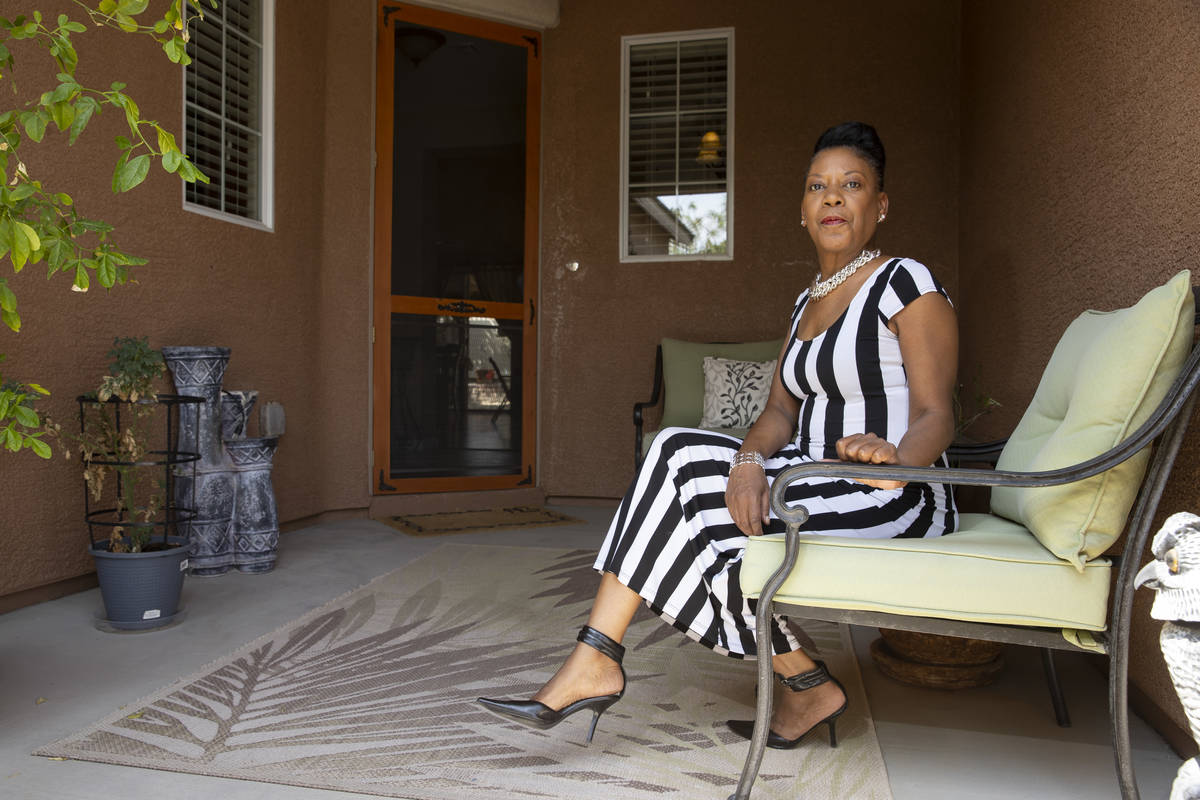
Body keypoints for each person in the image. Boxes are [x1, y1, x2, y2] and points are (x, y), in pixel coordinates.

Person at [478, 121, 959, 751]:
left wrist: (897, 461)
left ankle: (775, 681)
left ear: (880, 205)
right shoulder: (805, 302)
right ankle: (626, 662)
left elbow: (937, 413)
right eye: (819, 186)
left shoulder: (905, 282)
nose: (834, 198)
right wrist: (748, 463)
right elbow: (779, 413)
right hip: (808, 473)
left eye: (852, 185)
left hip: (892, 491)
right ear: (803, 210)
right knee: (677, 450)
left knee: (704, 523)